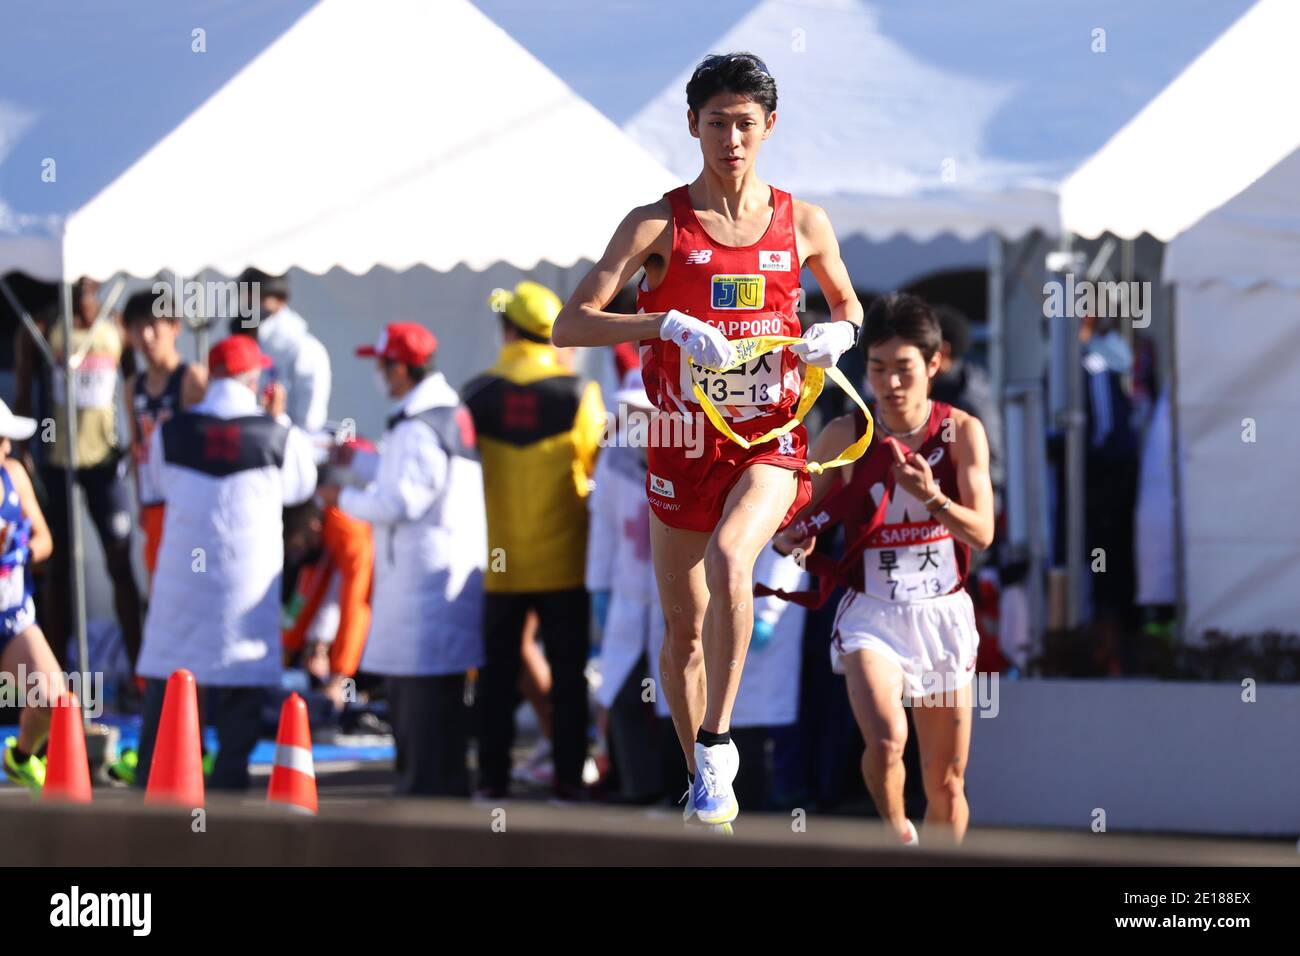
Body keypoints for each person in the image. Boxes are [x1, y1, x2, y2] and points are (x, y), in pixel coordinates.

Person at [552, 52, 863, 826]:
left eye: (745, 124)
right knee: (683, 632)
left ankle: (720, 739)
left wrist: (841, 334)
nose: (732, 139)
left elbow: (849, 304)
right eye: (717, 122)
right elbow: (569, 324)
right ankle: (703, 778)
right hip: (681, 443)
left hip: (770, 438)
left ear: (770, 127)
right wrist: (662, 322)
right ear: (692, 125)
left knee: (732, 557)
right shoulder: (655, 224)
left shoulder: (804, 222)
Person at [771, 293, 994, 844]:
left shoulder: (961, 431)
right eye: (877, 368)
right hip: (872, 612)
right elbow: (791, 521)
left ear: (935, 363)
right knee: (888, 738)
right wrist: (792, 539)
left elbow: (982, 532)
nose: (890, 384)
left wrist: (932, 498)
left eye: (904, 369)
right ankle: (898, 837)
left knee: (946, 785)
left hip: (941, 612)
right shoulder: (844, 434)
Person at [134, 335, 317, 792]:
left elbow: (156, 486)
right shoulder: (279, 435)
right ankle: (229, 786)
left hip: (182, 580)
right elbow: (300, 487)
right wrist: (280, 418)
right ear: (254, 379)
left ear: (211, 374)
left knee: (171, 680)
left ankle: (156, 785)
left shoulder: (170, 433)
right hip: (245, 581)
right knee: (240, 681)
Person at [319, 322, 485, 796]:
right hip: (438, 583)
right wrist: (357, 462)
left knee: (420, 716)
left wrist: (341, 498)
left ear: (398, 370)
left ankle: (423, 804)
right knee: (438, 713)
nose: (377, 374)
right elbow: (406, 478)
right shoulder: (441, 415)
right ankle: (437, 797)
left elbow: (400, 501)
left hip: (421, 592)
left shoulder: (418, 428)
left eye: (380, 365)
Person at [464, 281, 606, 801]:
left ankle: (491, 780)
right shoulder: (579, 393)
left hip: (498, 561)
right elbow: (595, 467)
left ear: (507, 330)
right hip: (565, 558)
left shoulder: (475, 394)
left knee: (496, 678)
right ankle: (568, 781)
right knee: (569, 676)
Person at [13, 277, 142, 671]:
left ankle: (139, 670)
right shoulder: (41, 326)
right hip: (58, 462)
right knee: (59, 567)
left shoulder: (115, 325)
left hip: (104, 462)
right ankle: (57, 671)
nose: (85, 284)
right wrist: (23, 449)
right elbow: (23, 391)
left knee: (119, 560)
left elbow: (133, 385)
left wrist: (135, 441)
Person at [0, 399, 65, 792]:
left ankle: (21, 757)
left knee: (56, 700)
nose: (7, 446)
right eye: (1, 439)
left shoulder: (14, 474)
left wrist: (19, 552)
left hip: (12, 620)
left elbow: (45, 540)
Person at [123, 289, 208, 588]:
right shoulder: (133, 386)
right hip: (153, 499)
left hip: (186, 500)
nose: (146, 336)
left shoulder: (192, 378)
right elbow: (136, 447)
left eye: (152, 325)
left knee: (193, 581)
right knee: (158, 584)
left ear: (174, 327)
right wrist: (139, 500)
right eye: (137, 328)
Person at [237, 269, 331, 432]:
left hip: (288, 441)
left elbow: (309, 420)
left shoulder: (305, 349)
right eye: (247, 299)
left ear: (280, 299)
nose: (251, 307)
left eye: (259, 298)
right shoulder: (250, 342)